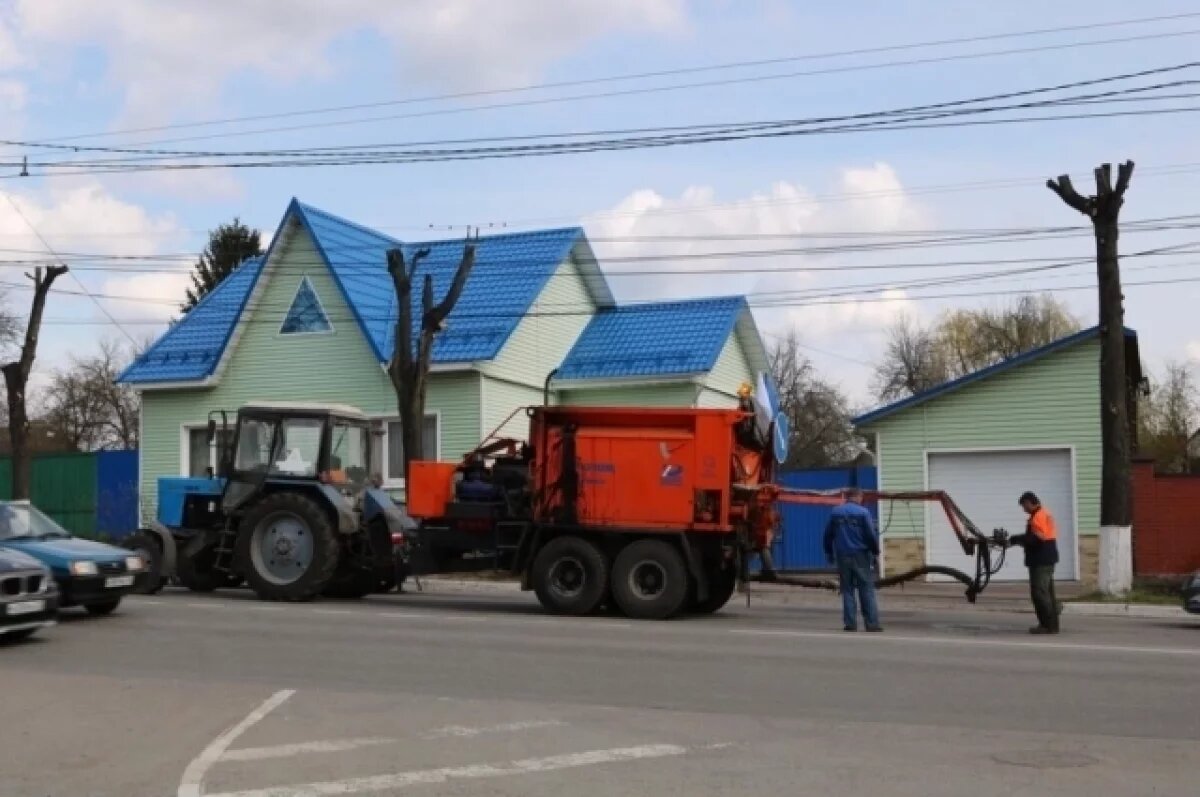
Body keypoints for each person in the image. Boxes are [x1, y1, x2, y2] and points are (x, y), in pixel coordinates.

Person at [823, 488, 882, 632]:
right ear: (858, 497)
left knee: (847, 589)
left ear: (847, 497)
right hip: (860, 555)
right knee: (866, 589)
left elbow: (827, 535)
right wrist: (875, 552)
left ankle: (850, 623)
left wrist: (829, 552)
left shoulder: (836, 512)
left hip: (842, 556)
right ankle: (871, 624)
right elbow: (870, 535)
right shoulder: (863, 513)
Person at [1007, 491, 1061, 635]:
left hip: (1041, 559)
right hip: (1047, 558)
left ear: (1029, 502)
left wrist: (1016, 539)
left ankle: (1048, 625)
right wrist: (1018, 539)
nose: (1023, 509)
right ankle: (1052, 623)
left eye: (1024, 506)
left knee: (1039, 593)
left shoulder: (1038, 517)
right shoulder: (1043, 513)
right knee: (1047, 592)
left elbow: (1037, 539)